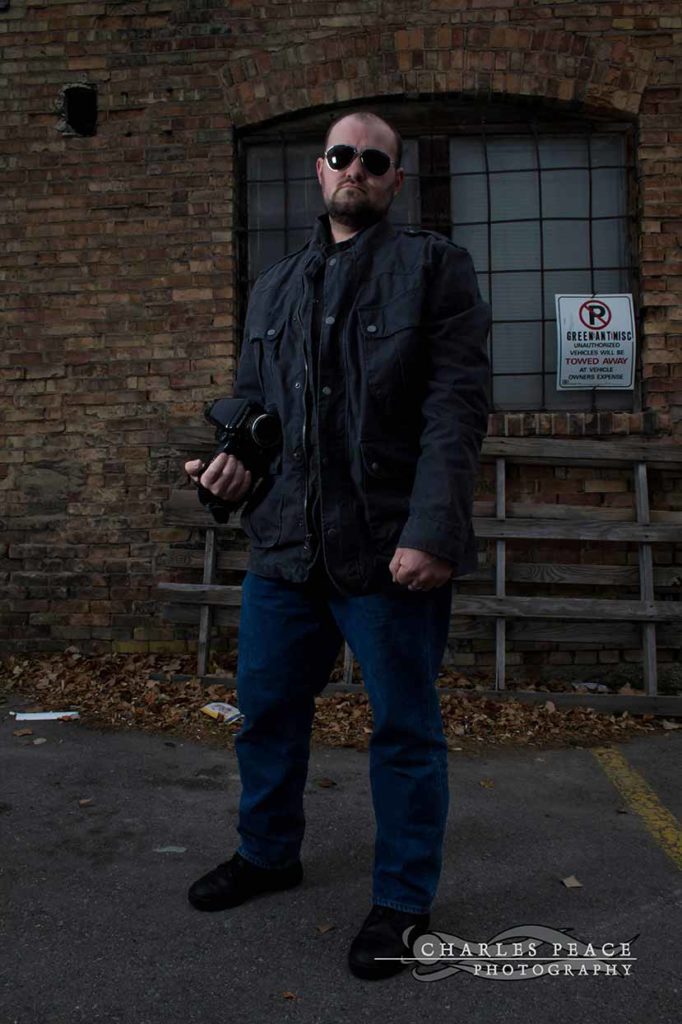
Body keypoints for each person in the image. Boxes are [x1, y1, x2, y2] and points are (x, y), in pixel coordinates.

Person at [184, 110, 491, 980]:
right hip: (286, 548)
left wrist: (432, 530)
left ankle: (401, 901)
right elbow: (255, 405)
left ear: (394, 180)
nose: (354, 168)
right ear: (320, 172)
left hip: (387, 550)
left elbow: (455, 410)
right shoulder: (277, 285)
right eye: (341, 156)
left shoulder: (436, 269)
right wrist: (234, 459)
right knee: (267, 715)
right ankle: (269, 853)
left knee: (403, 731)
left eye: (374, 160)